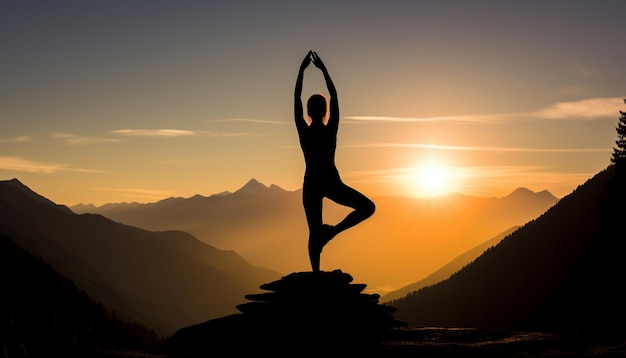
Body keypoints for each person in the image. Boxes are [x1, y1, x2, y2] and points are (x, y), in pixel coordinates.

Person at [294, 50, 375, 272]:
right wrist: (324, 70)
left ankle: (316, 272)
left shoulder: (304, 131)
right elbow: (335, 96)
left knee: (314, 231)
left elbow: (296, 100)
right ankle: (333, 232)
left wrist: (301, 71)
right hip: (331, 181)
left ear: (309, 112)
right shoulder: (331, 130)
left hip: (311, 183)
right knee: (368, 208)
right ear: (325, 111)